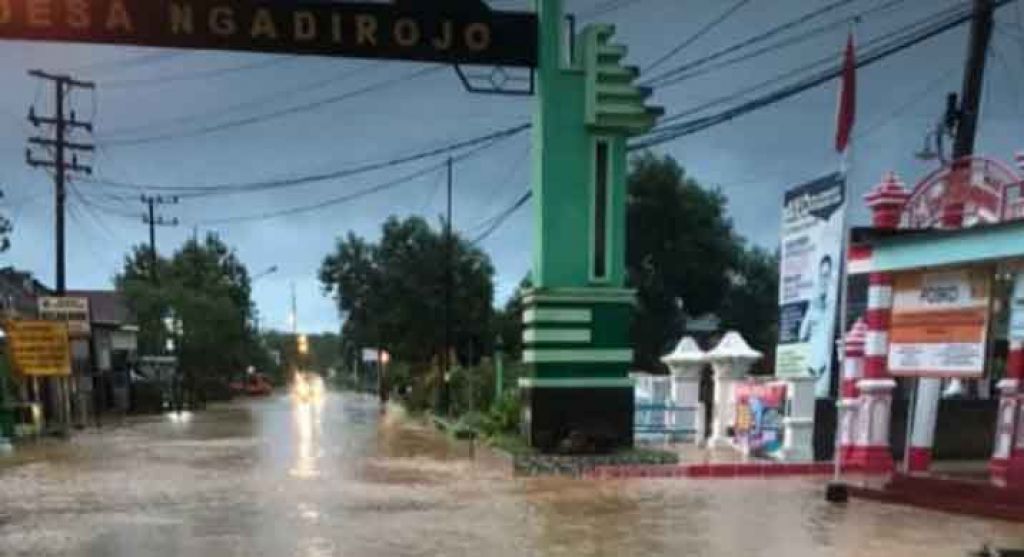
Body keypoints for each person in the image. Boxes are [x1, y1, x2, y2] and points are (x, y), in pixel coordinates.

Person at [799, 254, 836, 380]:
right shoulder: (813, 305)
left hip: (826, 369)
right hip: (811, 368)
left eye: (827, 275)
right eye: (822, 275)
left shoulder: (833, 304)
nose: (824, 281)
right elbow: (802, 335)